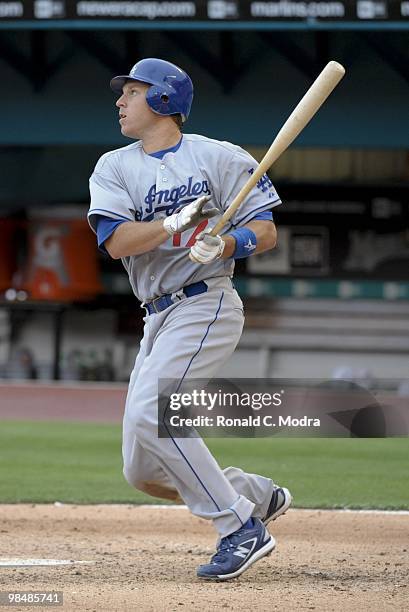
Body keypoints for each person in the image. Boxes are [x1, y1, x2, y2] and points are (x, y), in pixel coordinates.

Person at [87, 58, 292, 581]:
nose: (120, 101)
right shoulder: (114, 166)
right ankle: (251, 494)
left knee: (156, 414)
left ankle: (239, 526)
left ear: (161, 100)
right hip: (154, 316)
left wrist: (225, 241)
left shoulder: (219, 157)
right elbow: (116, 244)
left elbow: (264, 233)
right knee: (143, 470)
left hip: (205, 303)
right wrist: (176, 222)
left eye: (131, 92)